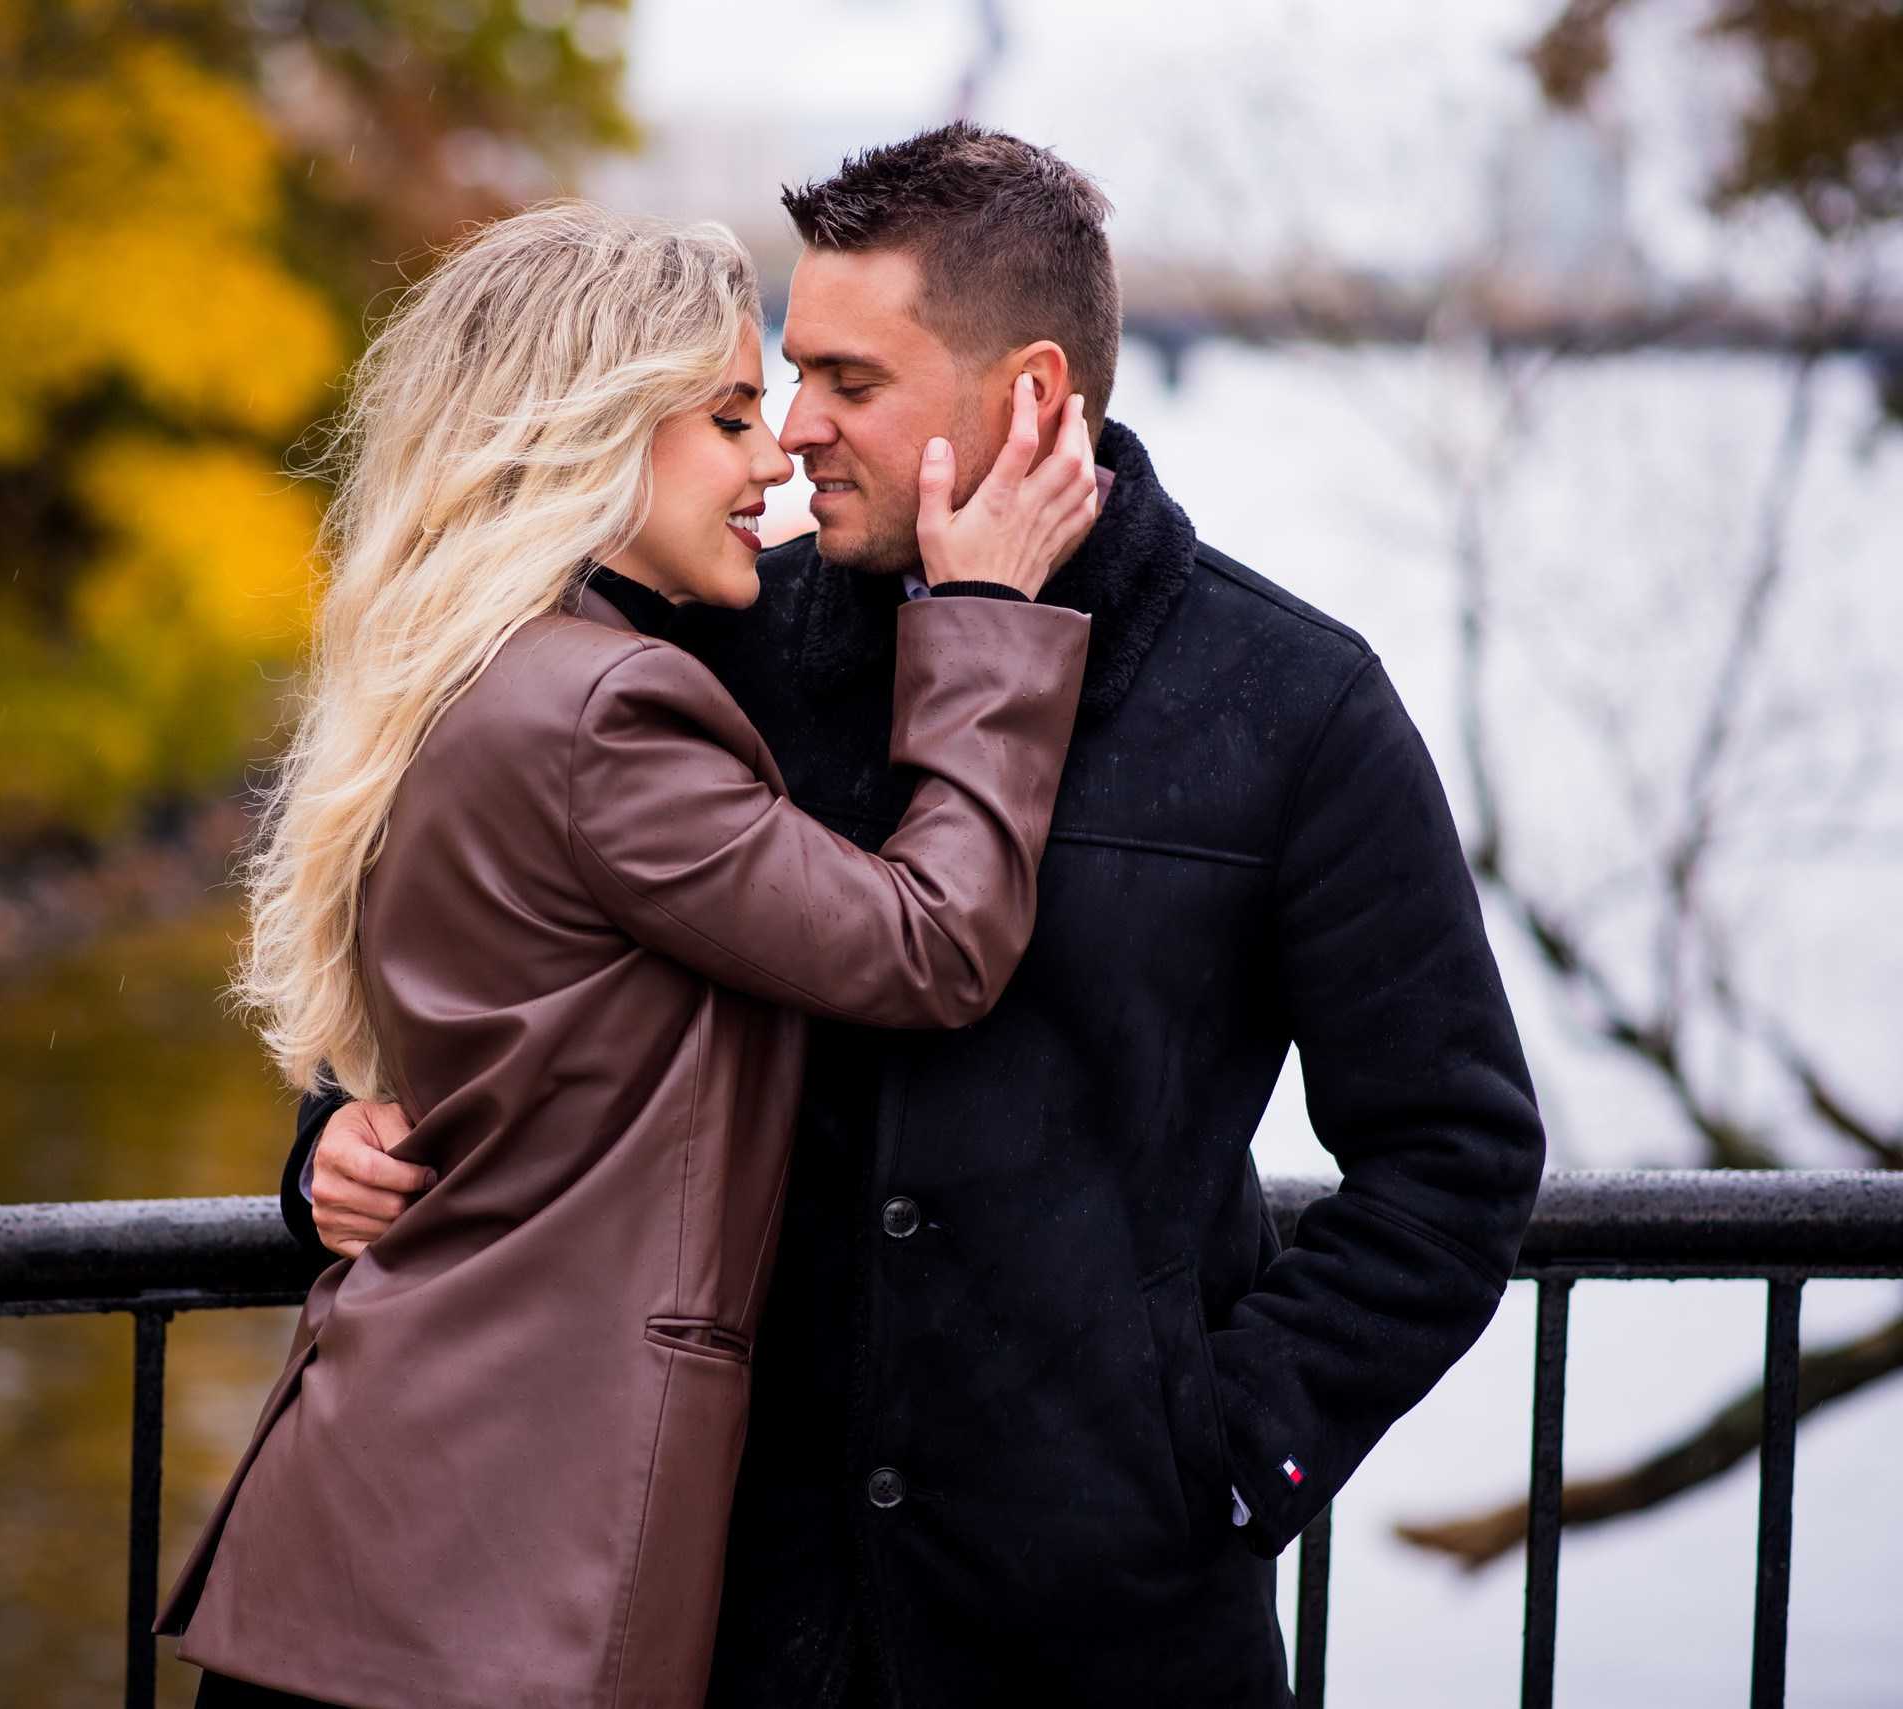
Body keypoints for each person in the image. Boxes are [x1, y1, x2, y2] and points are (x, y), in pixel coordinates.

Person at [293, 127, 1549, 1707]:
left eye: (848, 383)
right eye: (785, 375)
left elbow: (1458, 1153)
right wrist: (338, 1138)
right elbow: (486, 953)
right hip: (735, 1611)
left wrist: (1227, 1463)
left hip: (1112, 1636)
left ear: (1030, 395)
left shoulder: (1295, 704)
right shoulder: (719, 652)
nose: (795, 428)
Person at [157, 201, 1104, 1709]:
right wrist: (989, 617)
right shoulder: (605, 715)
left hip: (392, 1544)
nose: (775, 453)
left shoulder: (475, 665)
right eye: (730, 415)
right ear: (601, 429)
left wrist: (322, 1139)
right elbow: (930, 945)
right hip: (496, 1596)